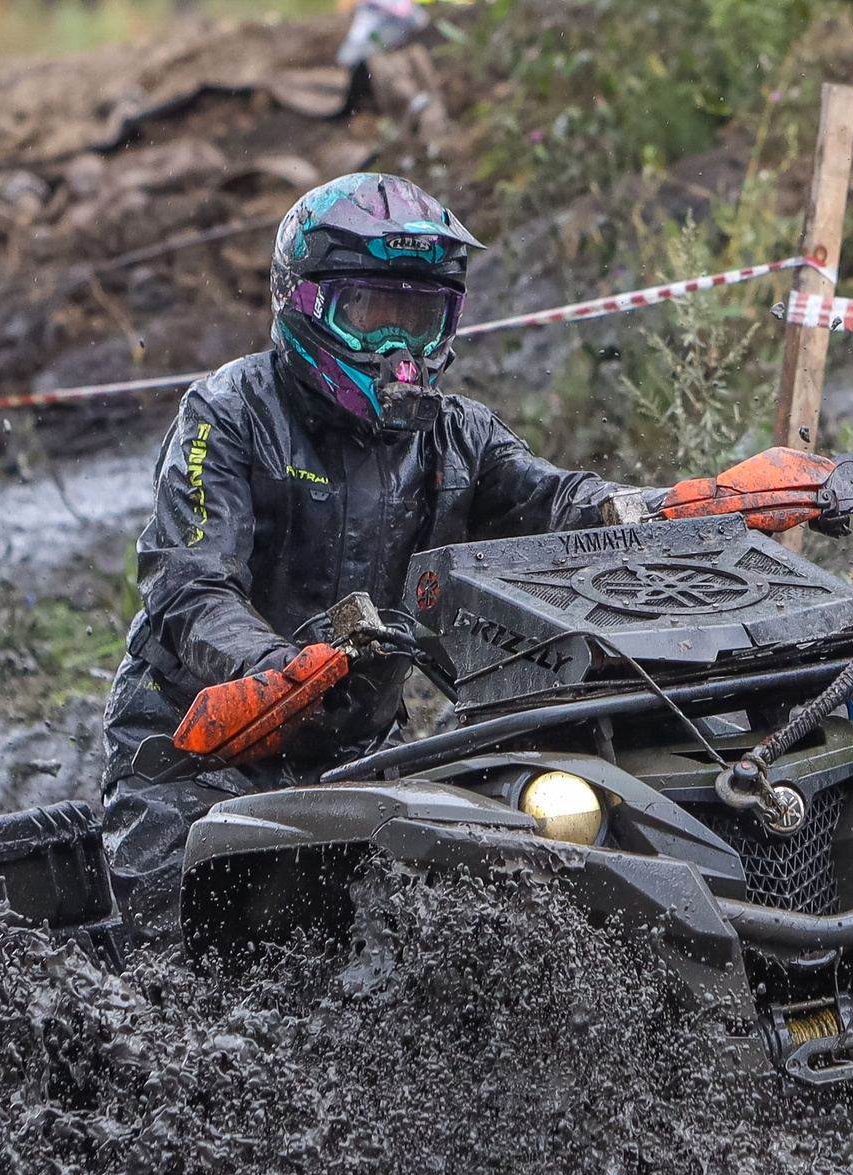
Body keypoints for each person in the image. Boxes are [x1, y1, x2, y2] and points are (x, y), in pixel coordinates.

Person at [96, 173, 665, 940]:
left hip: (365, 756)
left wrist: (675, 506)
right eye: (373, 315)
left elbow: (565, 502)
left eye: (420, 319)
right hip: (199, 750)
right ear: (304, 302)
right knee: (184, 968)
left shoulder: (459, 433)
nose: (400, 350)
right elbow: (189, 584)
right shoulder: (229, 414)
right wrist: (273, 667)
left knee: (444, 939)